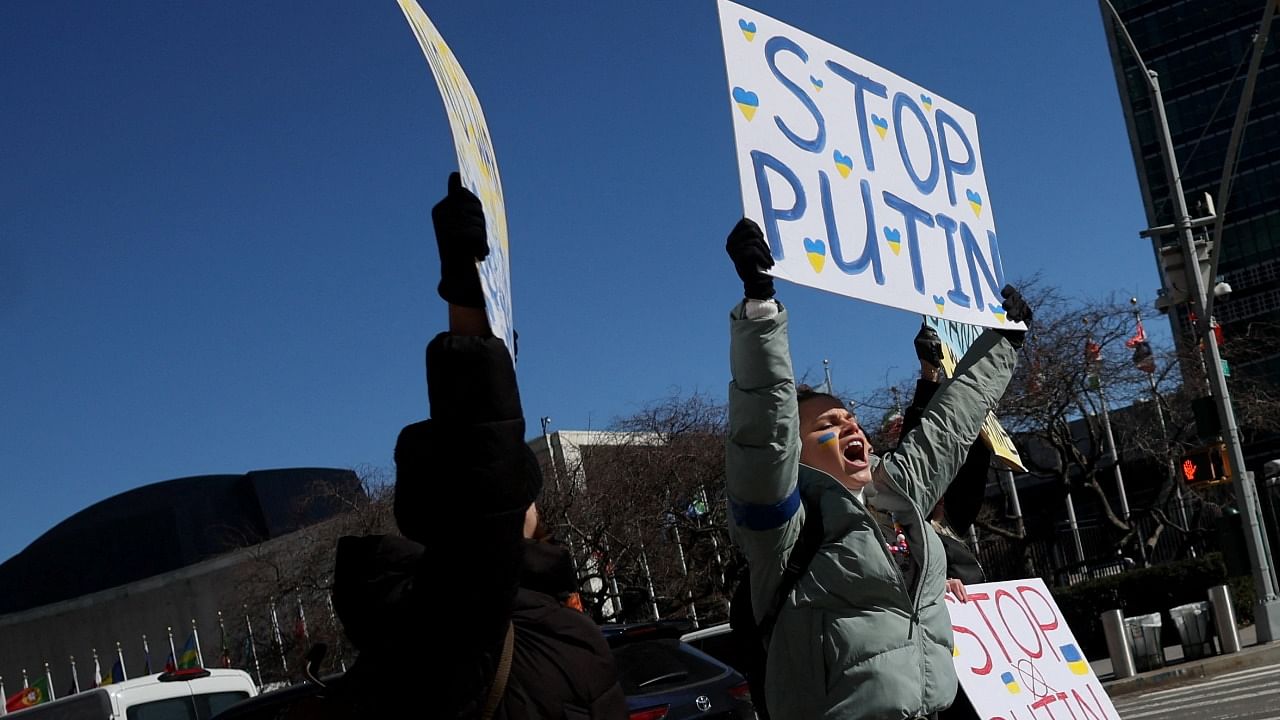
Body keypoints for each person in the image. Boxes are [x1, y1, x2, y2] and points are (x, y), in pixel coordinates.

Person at [329, 173, 627, 719]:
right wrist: (468, 306)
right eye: (508, 485)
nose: (522, 494)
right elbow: (481, 474)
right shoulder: (448, 622)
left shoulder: (542, 606)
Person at [723, 217, 1030, 720]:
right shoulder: (782, 530)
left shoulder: (897, 493)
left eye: (852, 420)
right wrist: (759, 303)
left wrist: (1004, 341)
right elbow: (762, 432)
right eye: (827, 424)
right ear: (793, 453)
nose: (851, 429)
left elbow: (954, 420)